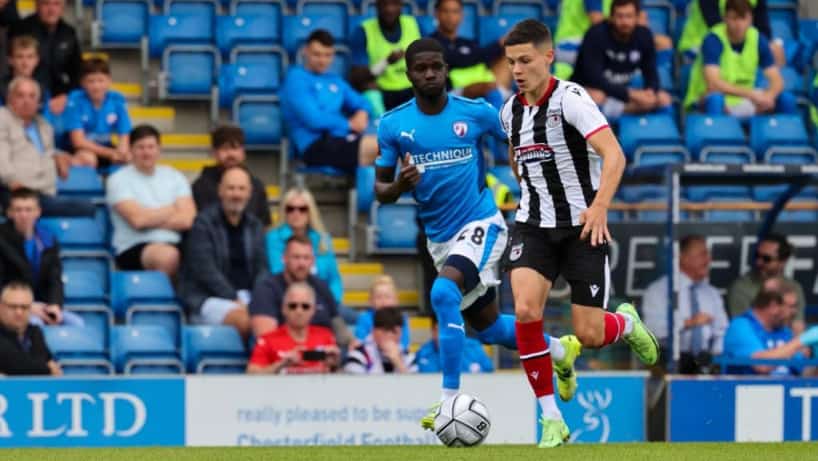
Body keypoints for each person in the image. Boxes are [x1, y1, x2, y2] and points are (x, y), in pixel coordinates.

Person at [374, 38, 580, 436]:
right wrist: (400, 184)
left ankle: (449, 400)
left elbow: (521, 138)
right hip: (440, 240)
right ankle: (559, 349)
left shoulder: (477, 113)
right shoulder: (393, 125)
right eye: (422, 68)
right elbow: (381, 190)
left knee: (442, 294)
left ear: (446, 69)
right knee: (490, 329)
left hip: (482, 224)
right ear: (409, 73)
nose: (430, 74)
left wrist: (532, 178)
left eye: (437, 66)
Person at [499, 19, 659, 446]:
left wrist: (600, 206)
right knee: (526, 312)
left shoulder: (572, 99)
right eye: (511, 61)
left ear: (548, 57)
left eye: (526, 60)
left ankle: (623, 324)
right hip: (533, 225)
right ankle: (551, 419)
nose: (517, 69)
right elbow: (519, 160)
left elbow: (614, 155)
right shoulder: (508, 110)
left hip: (583, 226)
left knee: (589, 333)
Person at [178, 166, 267, 341]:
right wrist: (233, 298)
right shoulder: (203, 224)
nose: (236, 194)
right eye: (231, 188)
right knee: (249, 322)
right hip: (209, 298)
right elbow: (205, 270)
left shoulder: (255, 225)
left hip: (247, 296)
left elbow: (261, 267)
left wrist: (259, 298)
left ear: (249, 193)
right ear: (220, 191)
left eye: (241, 189)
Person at [281, 29, 378, 175]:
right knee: (385, 147)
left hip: (342, 139)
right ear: (305, 51)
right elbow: (314, 119)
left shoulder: (334, 79)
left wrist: (362, 112)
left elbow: (362, 102)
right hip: (314, 145)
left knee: (393, 147)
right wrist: (349, 124)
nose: (322, 60)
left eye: (328, 55)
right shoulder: (296, 79)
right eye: (317, 54)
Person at [106, 124, 196, 278]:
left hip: (176, 242)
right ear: (131, 150)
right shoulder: (118, 179)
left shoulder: (174, 176)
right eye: (140, 147)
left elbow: (188, 220)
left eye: (151, 147)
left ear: (159, 149)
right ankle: (165, 301)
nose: (146, 152)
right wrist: (172, 209)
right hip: (134, 246)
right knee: (169, 257)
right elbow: (138, 220)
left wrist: (150, 217)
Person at [0, 76, 95, 217]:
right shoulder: (3, 119)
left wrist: (58, 156)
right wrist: (13, 183)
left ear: (38, 102)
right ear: (9, 99)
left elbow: (45, 152)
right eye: (20, 95)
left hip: (43, 193)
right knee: (84, 207)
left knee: (89, 207)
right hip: (14, 192)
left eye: (32, 96)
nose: (26, 101)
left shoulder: (44, 125)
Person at [683, 0, 794, 118]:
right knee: (716, 99)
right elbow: (713, 83)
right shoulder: (713, 39)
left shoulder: (757, 39)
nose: (738, 24)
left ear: (750, 19)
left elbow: (777, 80)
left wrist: (769, 96)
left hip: (744, 99)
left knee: (785, 98)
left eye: (742, 18)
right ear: (725, 18)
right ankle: (715, 133)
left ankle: (783, 135)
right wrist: (751, 94)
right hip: (708, 98)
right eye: (733, 18)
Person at [571, 0, 672, 120]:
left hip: (619, 93)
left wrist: (650, 91)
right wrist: (632, 95)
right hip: (588, 91)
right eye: (620, 16)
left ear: (637, 17)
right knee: (598, 96)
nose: (625, 22)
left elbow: (651, 72)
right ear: (611, 18)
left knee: (663, 98)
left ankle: (652, 132)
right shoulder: (596, 35)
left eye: (629, 16)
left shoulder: (644, 36)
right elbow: (595, 79)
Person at [642, 235, 728, 374]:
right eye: (702, 254)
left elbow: (722, 331)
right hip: (670, 363)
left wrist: (715, 356)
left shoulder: (712, 294)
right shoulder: (659, 290)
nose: (708, 260)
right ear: (683, 257)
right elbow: (653, 330)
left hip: (706, 363)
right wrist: (689, 322)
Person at [0, 188, 84, 328]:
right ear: (10, 213)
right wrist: (28, 306)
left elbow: (55, 278)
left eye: (28, 210)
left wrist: (54, 306)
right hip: (13, 306)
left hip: (42, 306)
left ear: (38, 212)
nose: (23, 215)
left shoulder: (47, 239)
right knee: (36, 325)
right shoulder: (2, 239)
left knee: (77, 324)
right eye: (18, 210)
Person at [249, 235, 352, 345]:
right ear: (284, 259)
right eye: (296, 257)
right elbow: (266, 341)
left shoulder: (321, 286)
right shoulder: (266, 289)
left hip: (322, 354)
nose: (301, 264)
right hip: (284, 356)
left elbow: (338, 325)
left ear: (312, 261)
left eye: (306, 258)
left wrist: (350, 343)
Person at [266, 187, 342, 304]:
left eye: (302, 209)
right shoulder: (273, 238)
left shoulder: (323, 239)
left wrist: (332, 301)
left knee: (359, 319)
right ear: (284, 212)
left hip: (325, 302)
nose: (296, 213)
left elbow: (334, 279)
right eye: (291, 209)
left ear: (310, 212)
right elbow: (278, 273)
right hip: (290, 302)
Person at [429, 0, 509, 110]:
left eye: (455, 11)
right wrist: (498, 45)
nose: (450, 16)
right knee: (487, 88)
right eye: (445, 11)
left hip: (483, 84)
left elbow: (481, 58)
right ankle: (499, 122)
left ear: (461, 15)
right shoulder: (431, 42)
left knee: (514, 56)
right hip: (453, 91)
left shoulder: (468, 42)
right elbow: (460, 59)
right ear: (436, 14)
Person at [8, 0, 81, 118]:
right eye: (46, 4)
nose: (51, 10)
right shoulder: (20, 29)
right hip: (25, 96)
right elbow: (10, 68)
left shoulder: (68, 32)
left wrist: (66, 96)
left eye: (56, 4)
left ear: (63, 7)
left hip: (59, 98)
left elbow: (78, 72)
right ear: (36, 6)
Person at [247, 282, 340, 374]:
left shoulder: (325, 336)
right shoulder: (267, 340)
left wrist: (334, 364)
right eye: (292, 306)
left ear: (314, 310)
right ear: (283, 309)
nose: (299, 311)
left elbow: (336, 373)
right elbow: (251, 374)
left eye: (305, 306)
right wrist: (281, 364)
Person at [723, 289, 818, 375]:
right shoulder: (740, 326)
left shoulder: (784, 331)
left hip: (785, 390)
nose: (794, 312)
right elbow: (761, 365)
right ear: (773, 306)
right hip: (749, 391)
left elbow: (802, 372)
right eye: (790, 306)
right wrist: (801, 340)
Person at [192, 125, 271, 227]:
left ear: (243, 152)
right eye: (224, 148)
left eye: (235, 148)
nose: (230, 154)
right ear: (214, 153)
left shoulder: (256, 186)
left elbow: (264, 226)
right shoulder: (201, 187)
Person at [350, 0, 421, 110]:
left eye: (394, 3)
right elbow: (356, 77)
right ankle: (379, 124)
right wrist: (385, 62)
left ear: (401, 5)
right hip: (382, 91)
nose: (389, 9)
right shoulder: (363, 31)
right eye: (384, 4)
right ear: (376, 6)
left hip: (412, 89)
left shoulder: (415, 24)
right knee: (370, 92)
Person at [64, 57, 132, 168]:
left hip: (106, 146)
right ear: (82, 83)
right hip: (82, 149)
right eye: (91, 81)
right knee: (88, 159)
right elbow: (78, 141)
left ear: (109, 80)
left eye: (101, 80)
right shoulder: (75, 100)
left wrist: (122, 153)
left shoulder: (117, 100)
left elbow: (124, 135)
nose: (96, 86)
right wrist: (110, 153)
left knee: (130, 158)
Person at [678, 0, 784, 66]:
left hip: (737, 41)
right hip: (699, 43)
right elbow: (716, 25)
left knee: (774, 49)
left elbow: (763, 27)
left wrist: (766, 45)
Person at [727, 233, 805, 319]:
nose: (759, 262)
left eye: (766, 259)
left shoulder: (794, 288)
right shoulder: (741, 287)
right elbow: (741, 327)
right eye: (757, 256)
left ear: (783, 261)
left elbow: (797, 325)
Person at [0, 281, 62, 375]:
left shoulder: (35, 332)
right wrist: (47, 369)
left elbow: (49, 363)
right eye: (13, 307)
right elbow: (13, 364)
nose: (19, 312)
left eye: (24, 307)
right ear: (1, 307)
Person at [344, 307, 415, 374]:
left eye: (394, 331)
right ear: (373, 331)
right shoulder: (358, 354)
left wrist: (398, 363)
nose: (389, 336)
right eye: (385, 330)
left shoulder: (408, 356)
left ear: (401, 334)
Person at [414, 315, 494, 373]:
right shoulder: (424, 353)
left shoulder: (474, 347)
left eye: (450, 330)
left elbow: (489, 374)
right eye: (440, 330)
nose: (445, 336)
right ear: (433, 332)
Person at [354, 275, 410, 350]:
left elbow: (404, 344)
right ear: (370, 301)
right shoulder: (364, 318)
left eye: (387, 297)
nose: (383, 301)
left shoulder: (402, 318)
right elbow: (360, 341)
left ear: (396, 300)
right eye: (378, 297)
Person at [0, 35, 49, 104]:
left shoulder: (43, 90)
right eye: (19, 57)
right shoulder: (1, 88)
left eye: (30, 57)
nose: (25, 62)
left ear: (37, 60)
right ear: (10, 60)